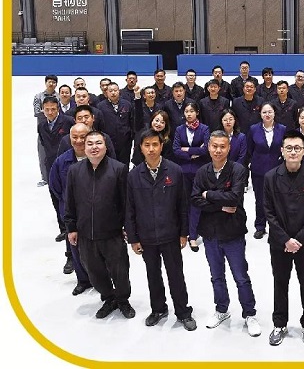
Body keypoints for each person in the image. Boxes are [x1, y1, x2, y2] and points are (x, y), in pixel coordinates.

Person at [190, 131, 262, 336]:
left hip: (233, 232)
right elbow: (195, 199)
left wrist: (209, 195)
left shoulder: (238, 170)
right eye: (214, 146)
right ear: (208, 147)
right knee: (216, 276)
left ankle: (249, 313)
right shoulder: (202, 171)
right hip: (210, 233)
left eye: (222, 146)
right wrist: (219, 205)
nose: (218, 150)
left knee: (241, 277)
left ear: (229, 148)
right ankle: (222, 309)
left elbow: (234, 197)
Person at [125, 129, 197, 331]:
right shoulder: (133, 176)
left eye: (155, 144)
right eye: (146, 145)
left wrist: (184, 233)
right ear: (140, 148)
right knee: (152, 275)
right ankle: (158, 309)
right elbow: (129, 209)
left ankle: (183, 312)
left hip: (170, 234)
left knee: (176, 275)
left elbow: (183, 205)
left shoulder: (174, 171)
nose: (151, 149)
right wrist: (133, 239)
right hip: (146, 236)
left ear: (161, 146)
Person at [263, 130, 304, 347]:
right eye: (289, 148)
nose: (293, 152)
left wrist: (298, 240)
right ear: (282, 151)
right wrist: (285, 240)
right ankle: (279, 324)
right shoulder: (271, 177)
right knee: (280, 283)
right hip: (279, 244)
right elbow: (268, 212)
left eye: (297, 148)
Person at [64, 131, 134, 320]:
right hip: (86, 233)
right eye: (90, 144)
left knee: (120, 270)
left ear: (105, 146)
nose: (94, 147)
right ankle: (109, 298)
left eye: (98, 143)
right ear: (84, 147)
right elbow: (69, 201)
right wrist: (71, 227)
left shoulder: (119, 169)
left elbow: (127, 202)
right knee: (94, 272)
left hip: (112, 233)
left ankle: (123, 300)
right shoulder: (74, 171)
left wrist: (128, 227)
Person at [49, 123, 93, 296]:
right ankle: (83, 280)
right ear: (69, 138)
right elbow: (55, 186)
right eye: (75, 137)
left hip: (96, 211)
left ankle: (100, 279)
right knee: (75, 246)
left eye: (83, 137)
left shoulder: (97, 158)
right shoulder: (62, 161)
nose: (79, 140)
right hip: (72, 212)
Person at [173, 102, 210, 252]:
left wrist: (187, 149)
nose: (189, 114)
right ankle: (185, 230)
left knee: (196, 201)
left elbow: (206, 149)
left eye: (191, 111)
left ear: (197, 113)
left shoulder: (204, 128)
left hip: (199, 170)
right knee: (184, 202)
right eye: (186, 111)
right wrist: (193, 153)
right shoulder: (179, 129)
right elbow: (176, 150)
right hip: (183, 170)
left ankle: (193, 235)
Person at [246, 102, 286, 239]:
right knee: (260, 199)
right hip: (259, 170)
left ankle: (276, 227)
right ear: (260, 114)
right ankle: (260, 226)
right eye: (264, 112)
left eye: (270, 112)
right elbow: (249, 149)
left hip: (277, 169)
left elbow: (285, 148)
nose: (267, 114)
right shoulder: (253, 129)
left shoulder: (282, 129)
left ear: (274, 113)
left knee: (277, 199)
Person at [38, 96, 75, 242]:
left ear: (58, 109)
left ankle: (71, 227)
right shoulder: (41, 125)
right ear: (43, 110)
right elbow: (43, 143)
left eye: (53, 109)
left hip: (66, 164)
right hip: (50, 165)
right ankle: (63, 229)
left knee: (68, 196)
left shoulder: (68, 121)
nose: (50, 112)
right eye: (46, 109)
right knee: (55, 197)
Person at [96, 81, 134, 165]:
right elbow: (98, 124)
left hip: (125, 141)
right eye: (110, 91)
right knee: (109, 164)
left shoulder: (127, 104)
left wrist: (130, 136)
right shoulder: (100, 106)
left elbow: (132, 121)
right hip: (108, 141)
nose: (113, 93)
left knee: (124, 164)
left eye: (115, 90)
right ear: (106, 92)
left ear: (119, 91)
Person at [34, 74, 59, 186]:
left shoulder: (58, 96)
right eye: (49, 82)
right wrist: (51, 112)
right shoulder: (38, 96)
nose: (51, 84)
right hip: (44, 130)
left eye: (54, 82)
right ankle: (45, 178)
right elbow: (37, 112)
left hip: (57, 129)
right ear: (45, 83)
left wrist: (47, 111)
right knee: (43, 154)